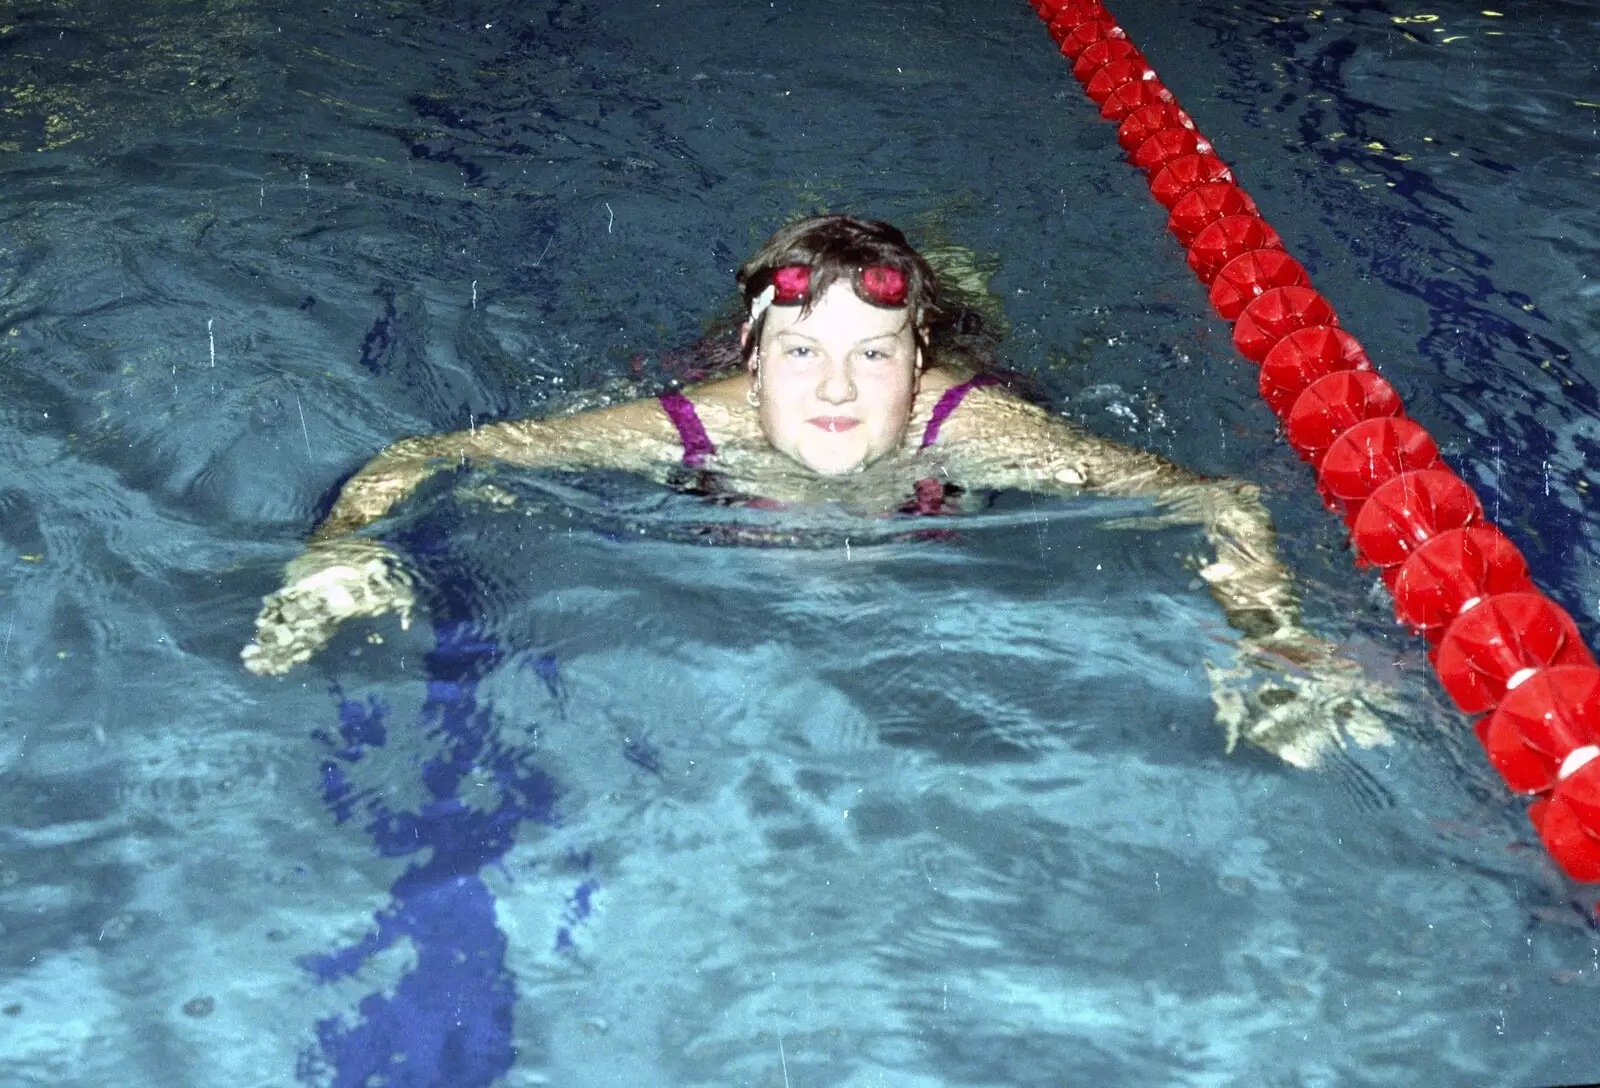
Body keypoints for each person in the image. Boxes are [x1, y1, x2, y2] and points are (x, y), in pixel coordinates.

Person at [242, 215, 1390, 767]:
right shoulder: (691, 423)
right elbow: (430, 452)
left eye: (877, 351)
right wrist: (338, 551)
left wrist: (1273, 639)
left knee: (976, 319)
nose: (837, 388)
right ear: (754, 360)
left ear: (915, 361)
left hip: (954, 411)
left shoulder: (978, 426)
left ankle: (951, 274)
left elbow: (1219, 498)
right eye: (801, 351)